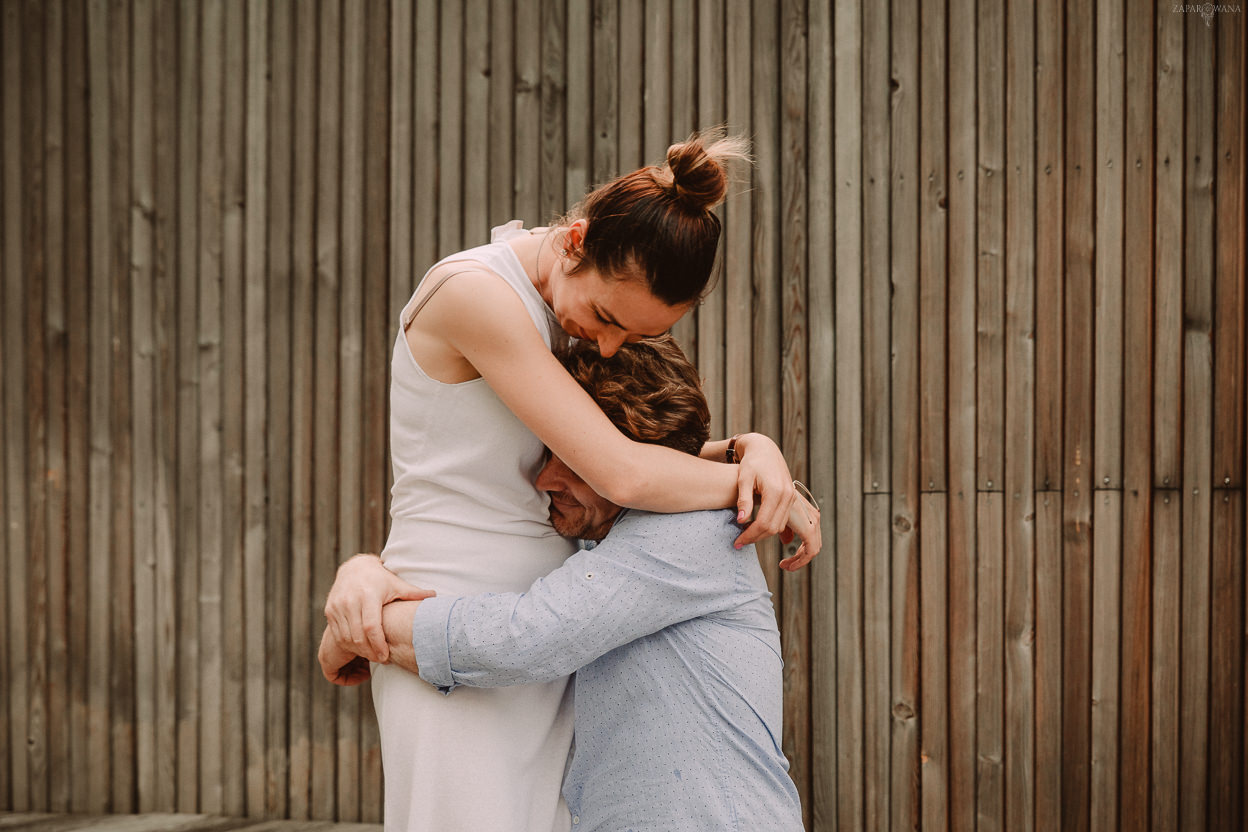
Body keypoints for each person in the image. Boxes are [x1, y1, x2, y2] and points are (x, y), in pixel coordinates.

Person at [323, 130, 821, 831]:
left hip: (556, 623)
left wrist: (750, 452)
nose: (607, 345)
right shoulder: (476, 295)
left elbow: (624, 455)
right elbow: (616, 469)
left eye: (633, 340)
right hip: (452, 605)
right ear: (575, 240)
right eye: (610, 320)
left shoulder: (567, 311)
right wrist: (757, 481)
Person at [320, 336, 805, 831]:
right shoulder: (607, 537)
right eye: (547, 452)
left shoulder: (691, 533)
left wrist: (365, 625)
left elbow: (522, 639)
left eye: (575, 460)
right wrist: (362, 571)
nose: (544, 480)